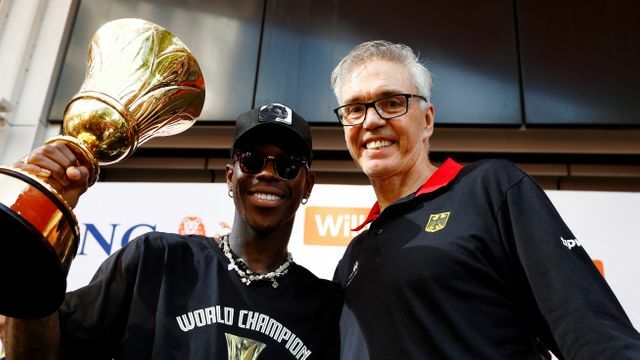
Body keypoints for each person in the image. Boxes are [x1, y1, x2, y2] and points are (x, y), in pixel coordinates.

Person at [330, 40, 640, 359]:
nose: (370, 121)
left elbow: (593, 333)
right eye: (354, 108)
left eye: (392, 102)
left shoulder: (490, 189)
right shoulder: (352, 257)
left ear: (427, 121)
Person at [5, 103, 342, 359]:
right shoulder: (156, 259)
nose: (268, 174)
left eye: (287, 165)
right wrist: (41, 218)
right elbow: (35, 354)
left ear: (307, 185)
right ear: (230, 176)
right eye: (252, 160)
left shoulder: (326, 307)